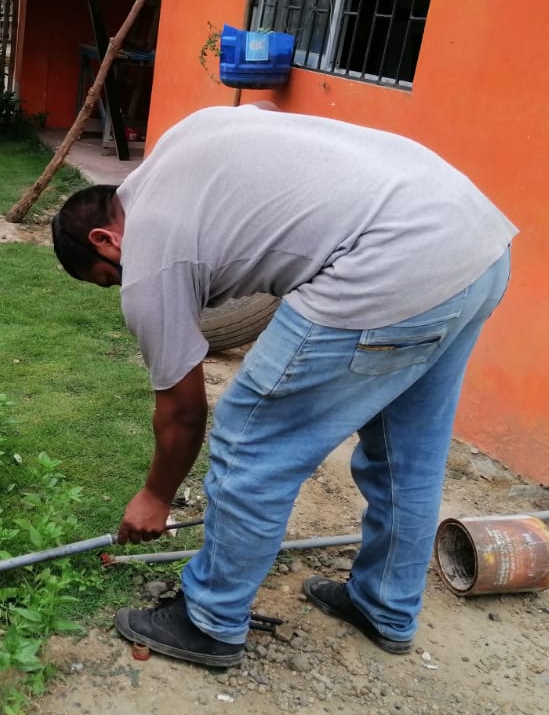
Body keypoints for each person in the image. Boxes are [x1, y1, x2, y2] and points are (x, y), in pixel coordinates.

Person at [50, 103, 515, 667]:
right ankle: (385, 606)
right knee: (406, 453)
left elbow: (183, 414)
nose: (123, 288)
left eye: (109, 279)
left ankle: (210, 620)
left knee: (252, 440)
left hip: (388, 261)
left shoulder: (149, 256)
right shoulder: (181, 143)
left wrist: (156, 496)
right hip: (476, 241)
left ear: (105, 239)